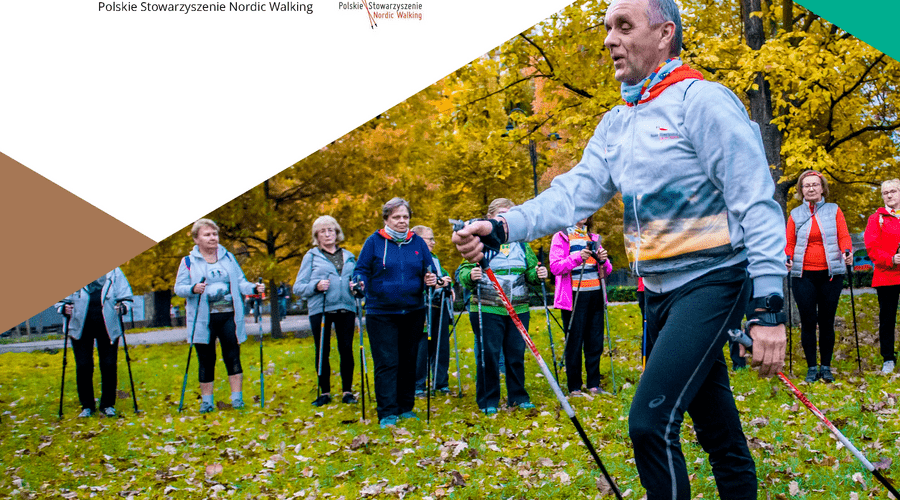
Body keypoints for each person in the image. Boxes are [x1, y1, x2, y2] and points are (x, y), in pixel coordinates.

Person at [452, 0, 787, 497]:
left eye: (624, 26)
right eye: (607, 27)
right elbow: (572, 194)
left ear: (664, 33)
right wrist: (500, 228)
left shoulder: (702, 101)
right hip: (658, 291)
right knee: (715, 425)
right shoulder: (617, 122)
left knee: (649, 424)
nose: (610, 39)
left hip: (712, 281)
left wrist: (769, 305)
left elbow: (756, 201)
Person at [457, 198, 548, 415]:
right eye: (501, 214)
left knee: (515, 353)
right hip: (488, 308)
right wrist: (471, 274)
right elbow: (462, 273)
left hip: (518, 308)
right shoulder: (480, 243)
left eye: (510, 214)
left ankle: (518, 397)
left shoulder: (522, 244)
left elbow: (531, 272)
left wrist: (539, 274)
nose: (505, 218)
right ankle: (488, 400)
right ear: (490, 219)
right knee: (489, 354)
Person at [353, 198, 437, 428]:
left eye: (405, 217)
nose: (402, 221)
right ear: (386, 219)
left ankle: (405, 407)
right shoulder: (374, 242)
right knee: (387, 361)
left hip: (413, 310)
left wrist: (431, 279)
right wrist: (358, 282)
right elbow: (360, 270)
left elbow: (429, 270)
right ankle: (387, 411)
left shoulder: (417, 242)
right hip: (381, 311)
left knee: (408, 360)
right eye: (397, 217)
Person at [175, 219, 265, 413]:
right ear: (196, 239)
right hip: (202, 319)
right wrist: (193, 288)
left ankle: (237, 400)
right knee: (206, 359)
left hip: (228, 316)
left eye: (214, 234)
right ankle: (207, 402)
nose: (212, 238)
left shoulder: (228, 258)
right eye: (207, 235)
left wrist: (253, 288)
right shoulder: (188, 262)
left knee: (233, 356)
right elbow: (179, 288)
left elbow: (240, 282)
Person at [785, 170, 853, 383]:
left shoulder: (834, 210)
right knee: (807, 321)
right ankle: (811, 367)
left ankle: (826, 366)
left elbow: (843, 235)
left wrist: (847, 252)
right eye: (806, 186)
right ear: (801, 190)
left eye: (815, 185)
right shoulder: (795, 214)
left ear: (822, 188)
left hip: (830, 274)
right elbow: (789, 243)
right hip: (803, 275)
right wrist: (787, 256)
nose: (811, 188)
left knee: (826, 320)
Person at [293, 215, 359, 406]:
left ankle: (347, 392)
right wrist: (316, 285)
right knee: (322, 349)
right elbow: (298, 287)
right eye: (323, 231)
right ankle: (324, 392)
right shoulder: (311, 256)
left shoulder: (349, 256)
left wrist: (356, 285)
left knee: (346, 349)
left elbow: (357, 280)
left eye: (331, 230)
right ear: (317, 236)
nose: (328, 234)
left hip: (346, 306)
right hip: (320, 309)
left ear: (337, 233)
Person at [549, 215, 613, 395]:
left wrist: (603, 260)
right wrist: (577, 258)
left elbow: (606, 270)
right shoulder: (561, 237)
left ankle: (594, 384)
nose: (584, 215)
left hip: (595, 295)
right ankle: (574, 387)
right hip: (574, 297)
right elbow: (555, 267)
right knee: (574, 342)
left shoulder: (594, 238)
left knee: (595, 341)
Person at [57, 268, 133, 417]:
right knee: (84, 365)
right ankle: (87, 406)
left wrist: (123, 307)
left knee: (109, 364)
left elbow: (126, 297)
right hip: (80, 325)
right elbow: (60, 300)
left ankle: (107, 405)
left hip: (108, 324)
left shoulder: (115, 271)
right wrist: (63, 307)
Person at [412, 225, 454, 396]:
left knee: (441, 344)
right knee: (422, 347)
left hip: (439, 306)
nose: (433, 242)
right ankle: (418, 384)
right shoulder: (412, 258)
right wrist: (437, 282)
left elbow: (445, 276)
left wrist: (446, 283)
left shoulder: (434, 258)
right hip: (421, 307)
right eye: (430, 239)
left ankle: (440, 382)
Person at [864, 178, 900, 375]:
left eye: (893, 191)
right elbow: (871, 248)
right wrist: (891, 259)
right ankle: (888, 358)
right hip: (886, 276)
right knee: (887, 319)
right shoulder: (875, 219)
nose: (889, 195)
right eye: (886, 192)